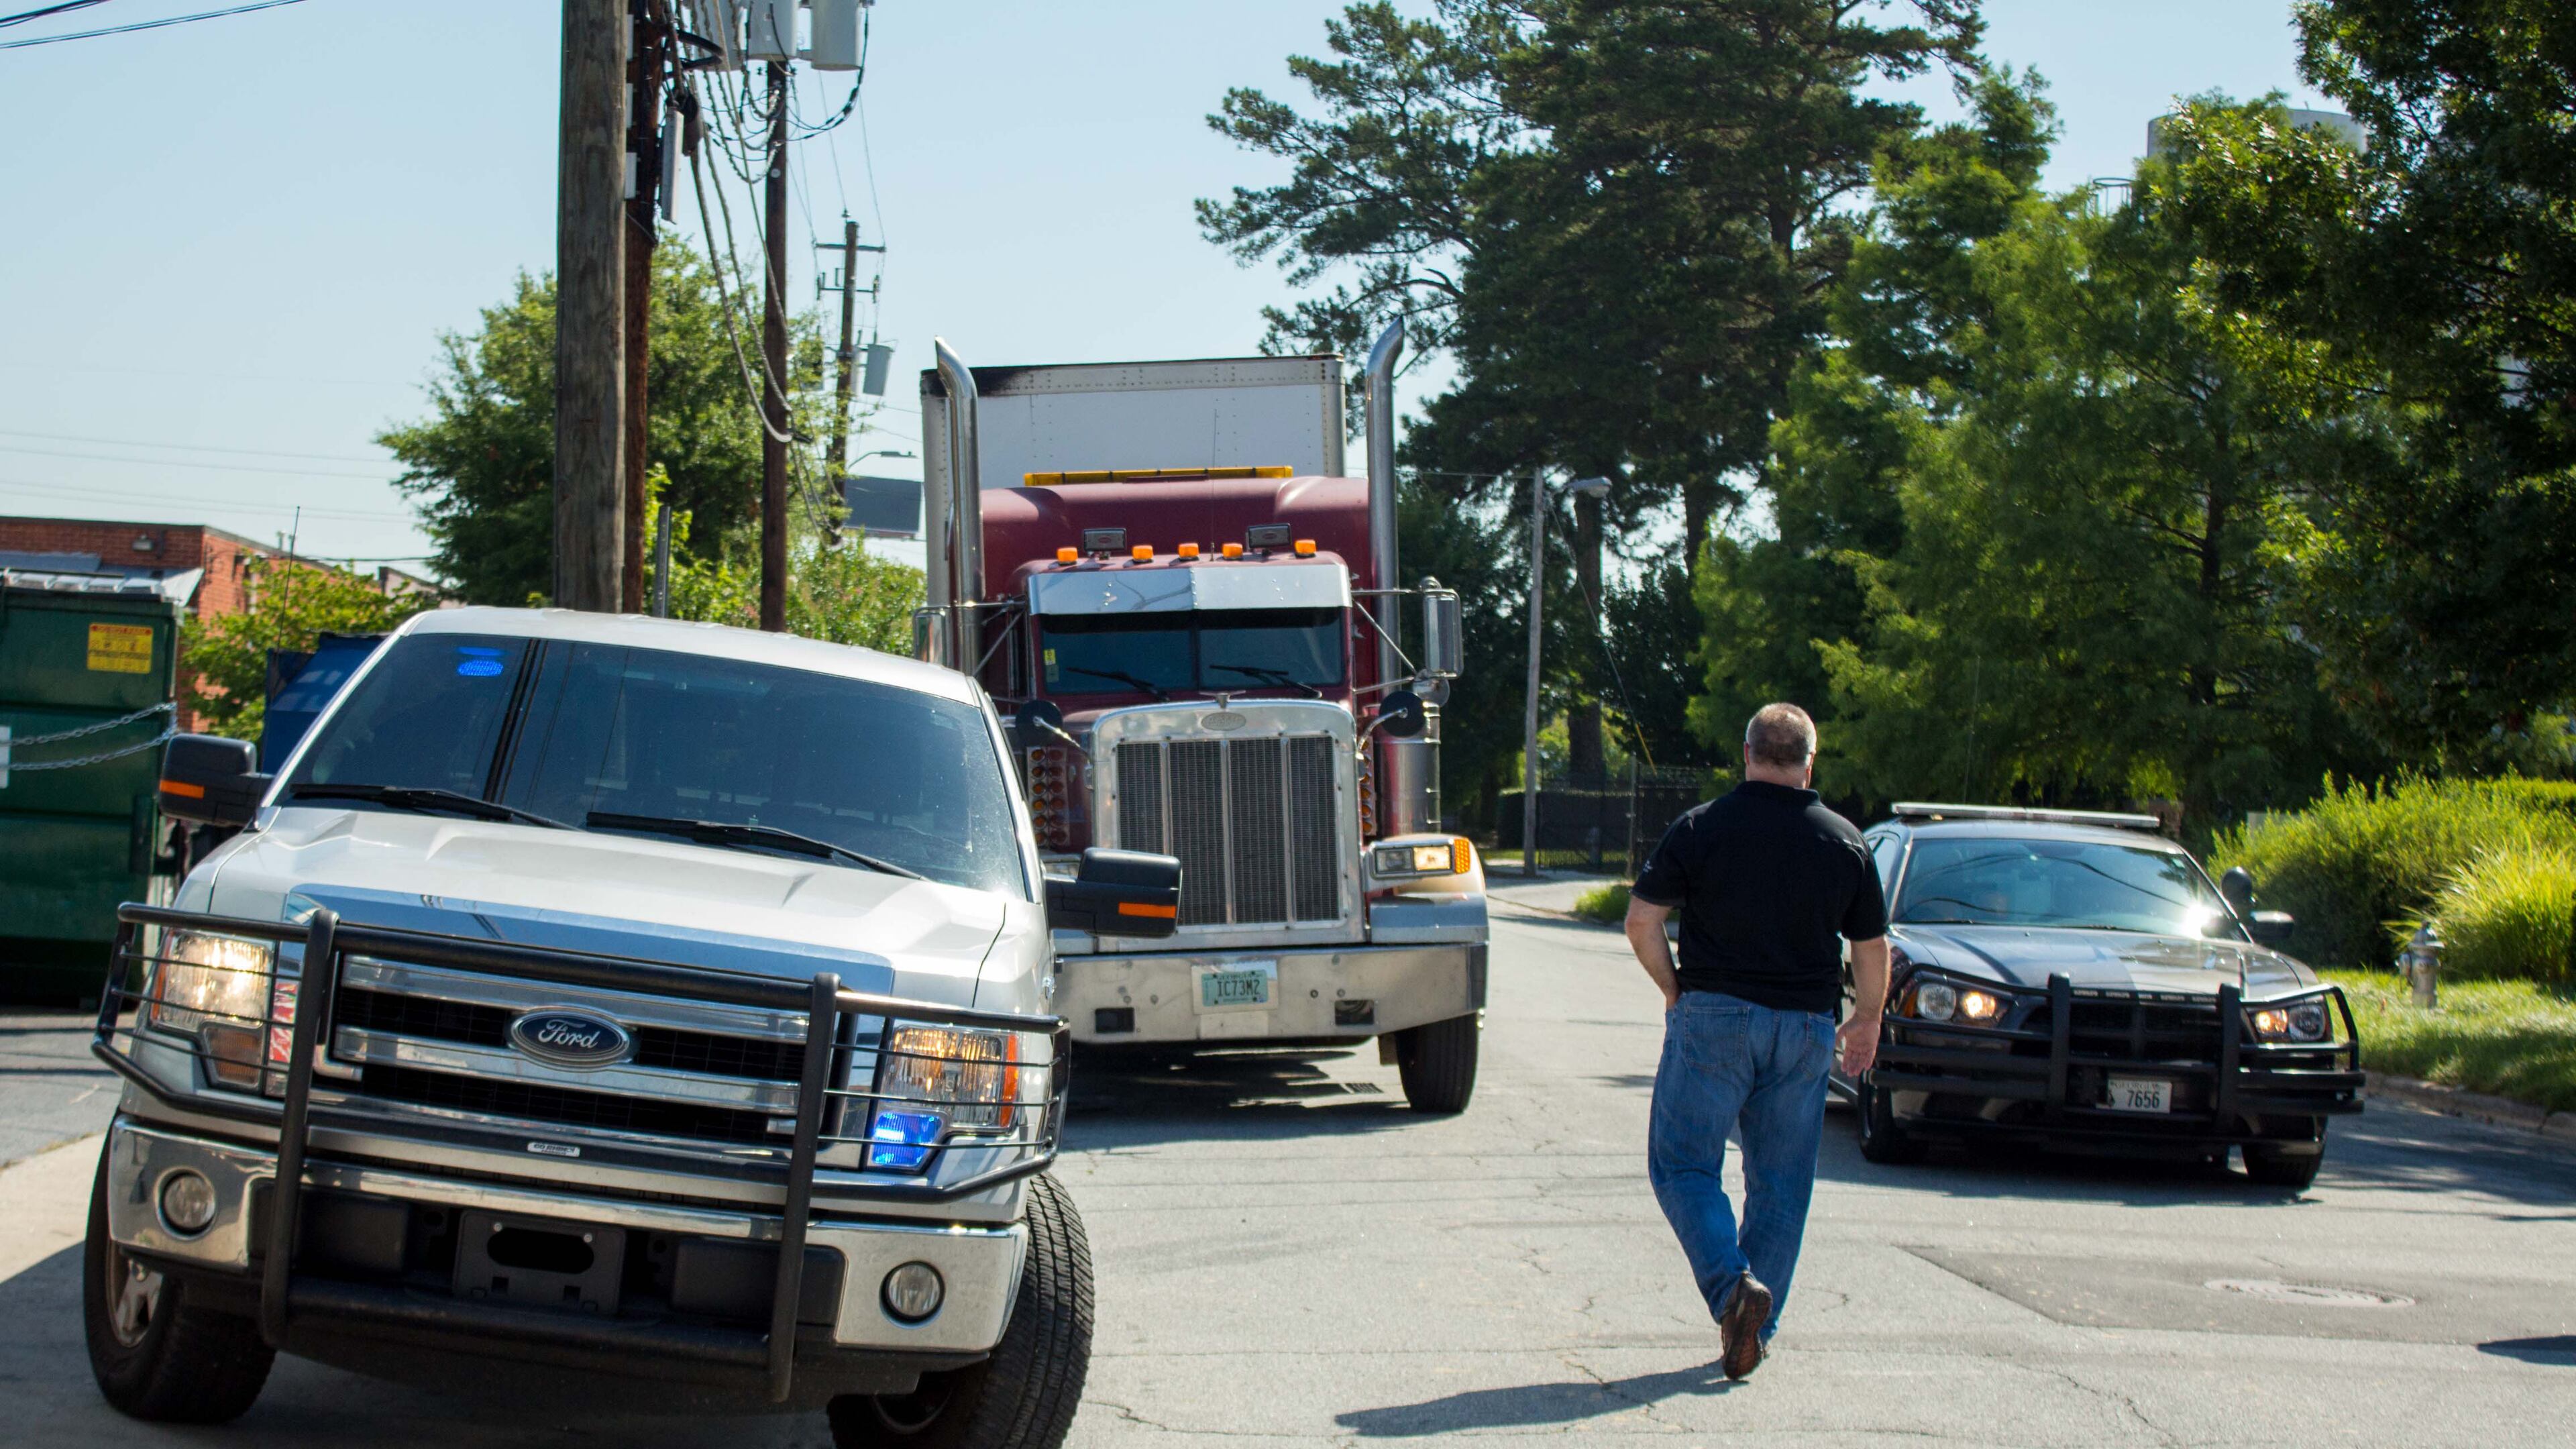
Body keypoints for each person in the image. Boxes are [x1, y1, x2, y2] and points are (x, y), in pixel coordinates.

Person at [1623, 702, 1890, 1381]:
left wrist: (1674, 989)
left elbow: (1642, 920)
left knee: (1683, 1166)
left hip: (1715, 1014)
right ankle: (1755, 1330)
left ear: (1747, 753)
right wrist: (1867, 1019)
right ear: (1810, 761)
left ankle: (1733, 1290)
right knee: (1781, 1185)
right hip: (1804, 1027)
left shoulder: (1701, 828)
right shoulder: (1845, 842)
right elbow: (1869, 946)